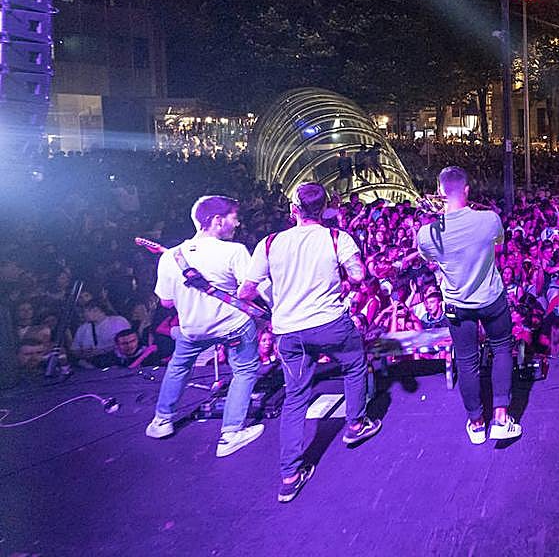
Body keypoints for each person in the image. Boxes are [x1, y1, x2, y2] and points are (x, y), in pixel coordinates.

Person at [241, 182, 382, 503]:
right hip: (331, 323)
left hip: (290, 332)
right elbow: (359, 276)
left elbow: (246, 292)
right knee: (354, 365)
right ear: (326, 208)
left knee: (295, 398)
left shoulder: (270, 243)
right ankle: (356, 425)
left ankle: (290, 475)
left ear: (293, 210)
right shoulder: (337, 238)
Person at [144, 196, 263, 457]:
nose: (238, 222)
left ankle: (162, 421)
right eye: (234, 217)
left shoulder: (171, 257)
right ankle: (231, 433)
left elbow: (165, 302)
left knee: (179, 366)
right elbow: (249, 293)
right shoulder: (235, 251)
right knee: (244, 371)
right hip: (234, 326)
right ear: (217, 221)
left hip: (193, 328)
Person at [416, 166, 521, 445]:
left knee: (466, 359)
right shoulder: (488, 220)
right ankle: (501, 417)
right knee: (501, 349)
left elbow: (427, 257)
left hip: (457, 305)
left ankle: (476, 423)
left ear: (439, 192)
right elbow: (499, 242)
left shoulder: (428, 233)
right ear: (467, 190)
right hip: (490, 299)